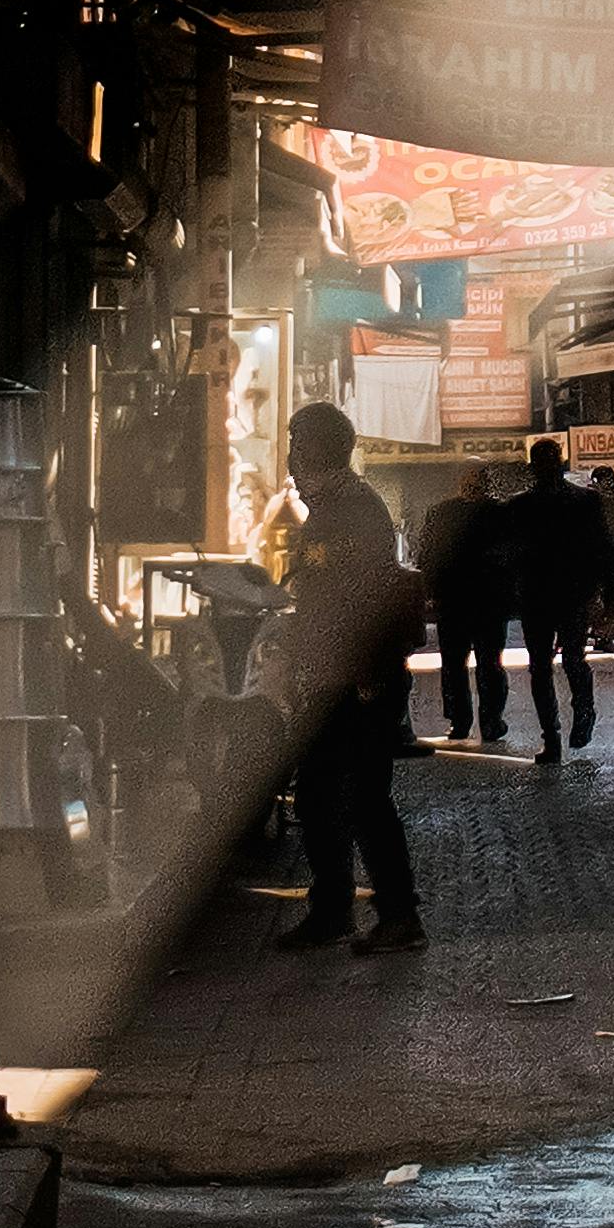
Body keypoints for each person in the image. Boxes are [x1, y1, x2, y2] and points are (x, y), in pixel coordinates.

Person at [277, 400, 427, 953]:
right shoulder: (329, 507)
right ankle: (335, 909)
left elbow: (364, 598)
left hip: (357, 683)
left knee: (364, 798)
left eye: (297, 443)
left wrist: (364, 676)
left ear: (319, 448)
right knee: (320, 796)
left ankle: (398, 916)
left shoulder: (353, 509)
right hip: (332, 677)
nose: (290, 456)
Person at [500, 437, 614, 763]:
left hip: (543, 595)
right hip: (567, 594)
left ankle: (553, 737)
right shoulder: (584, 501)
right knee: (569, 660)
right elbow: (603, 551)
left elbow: (510, 556)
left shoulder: (519, 506)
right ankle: (578, 715)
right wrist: (610, 597)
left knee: (544, 667)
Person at [418, 465, 511, 745]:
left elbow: (427, 556)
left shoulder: (440, 513)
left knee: (453, 664)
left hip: (453, 600)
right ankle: (491, 721)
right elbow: (511, 555)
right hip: (488, 600)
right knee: (489, 663)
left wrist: (430, 592)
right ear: (487, 484)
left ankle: (459, 722)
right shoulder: (500, 513)